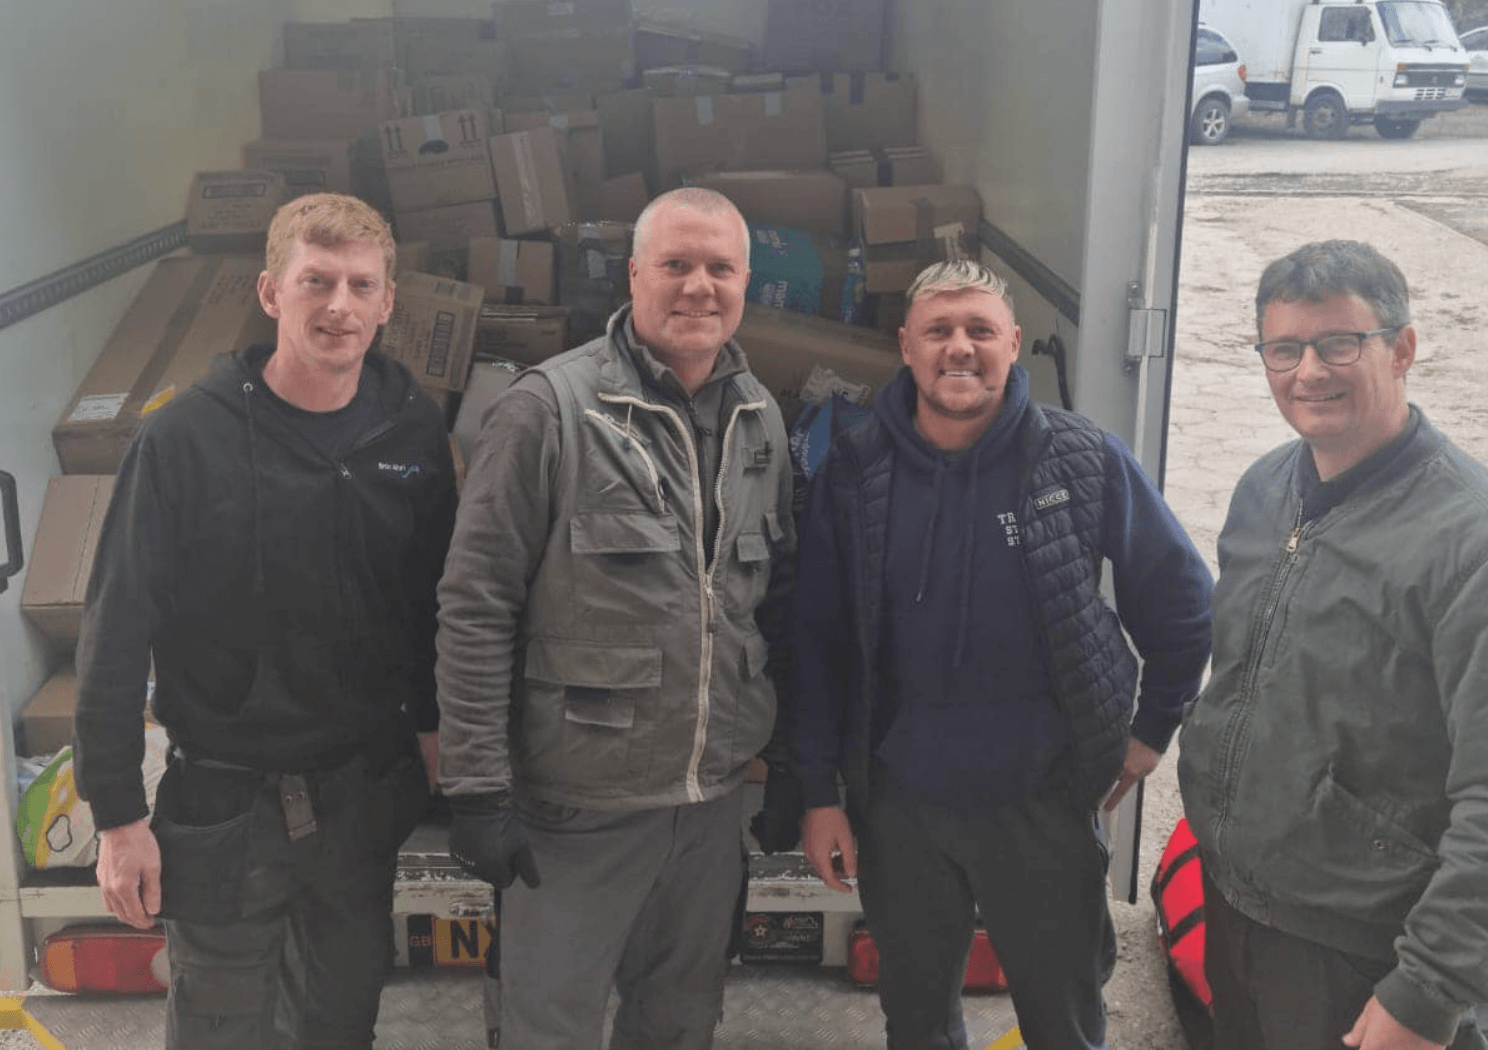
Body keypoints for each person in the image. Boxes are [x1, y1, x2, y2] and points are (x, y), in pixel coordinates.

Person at [792, 259, 1213, 1050]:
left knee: (1063, 1023)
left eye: (980, 330)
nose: (960, 348)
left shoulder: (1084, 458)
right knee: (916, 1023)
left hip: (1043, 806)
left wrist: (1152, 732)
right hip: (901, 810)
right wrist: (820, 794)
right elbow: (815, 645)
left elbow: (1183, 599)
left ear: (1013, 343)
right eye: (939, 331)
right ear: (906, 348)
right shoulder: (853, 472)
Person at [73, 193, 456, 1049]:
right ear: (271, 292)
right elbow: (115, 623)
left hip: (359, 793)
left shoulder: (414, 429)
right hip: (224, 803)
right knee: (220, 1031)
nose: (340, 306)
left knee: (339, 1024)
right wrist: (117, 815)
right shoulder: (183, 439)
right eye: (316, 281)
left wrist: (433, 725)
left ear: (389, 301)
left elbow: (431, 598)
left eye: (362, 285)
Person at [434, 186, 796, 1050]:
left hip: (708, 810)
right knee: (547, 1029)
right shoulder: (546, 410)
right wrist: (477, 787)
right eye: (676, 265)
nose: (698, 287)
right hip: (577, 810)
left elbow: (766, 606)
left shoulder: (762, 419)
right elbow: (475, 603)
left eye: (719, 268)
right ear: (634, 275)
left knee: (678, 1025)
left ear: (746, 281)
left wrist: (788, 765)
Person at [1178, 240, 1488, 1050]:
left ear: (1404, 347)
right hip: (1238, 906)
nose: (1308, 371)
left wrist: (1427, 992)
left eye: (1338, 343)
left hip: (1359, 948)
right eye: (1284, 348)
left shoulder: (1468, 542)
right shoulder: (1263, 488)